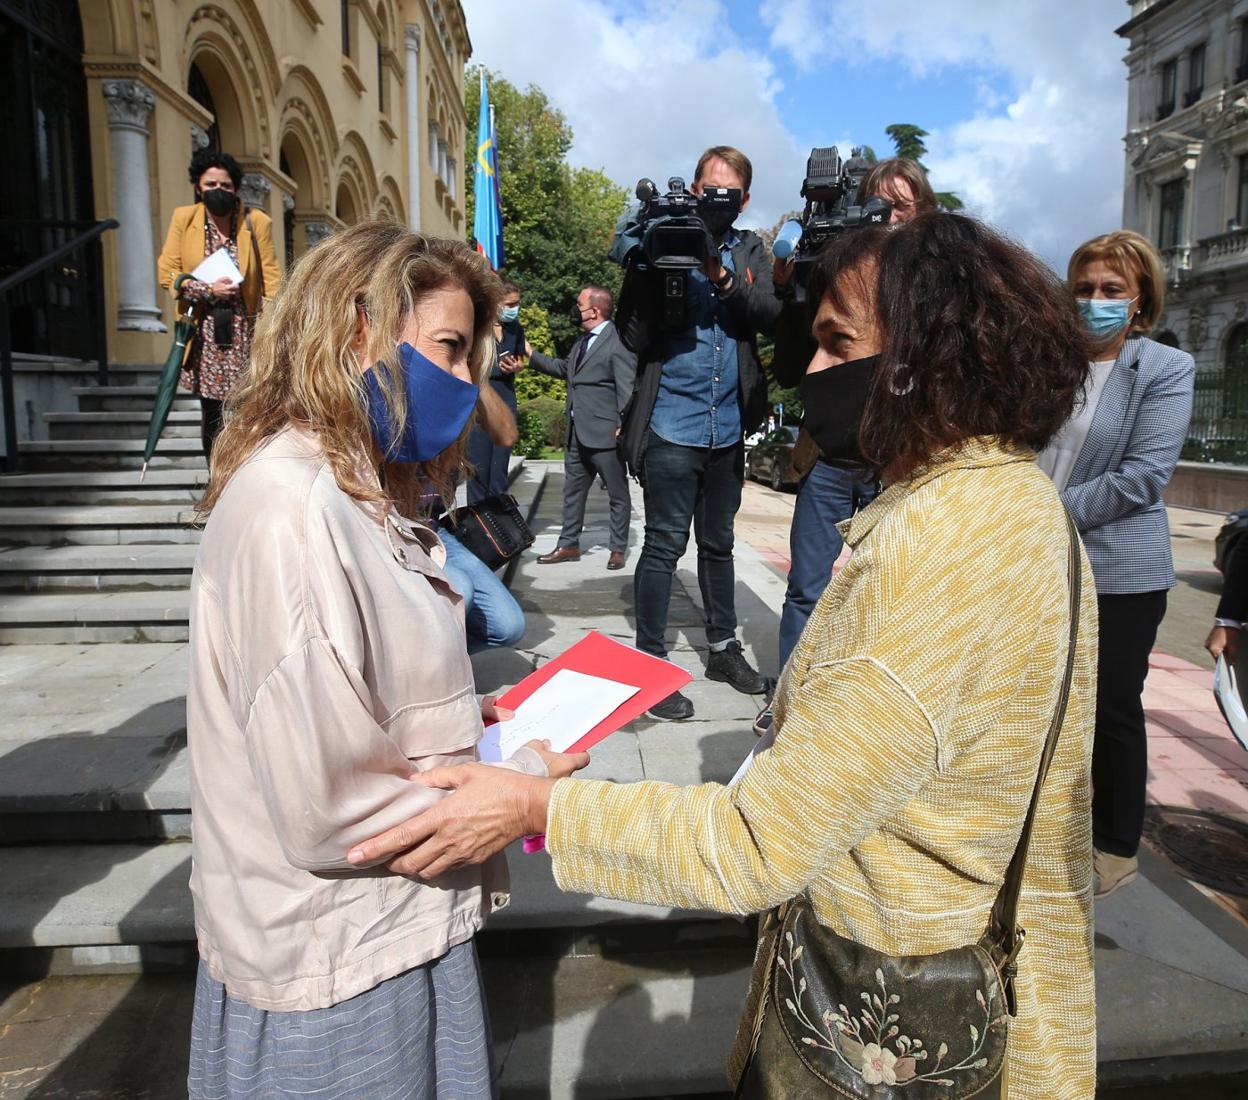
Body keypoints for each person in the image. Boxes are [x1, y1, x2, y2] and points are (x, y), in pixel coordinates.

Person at [349, 214, 1100, 1099]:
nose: (813, 372)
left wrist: (530, 803)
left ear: (931, 354)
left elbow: (756, 844)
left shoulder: (946, 544)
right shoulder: (1009, 499)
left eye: (837, 343)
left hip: (880, 1013)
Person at [184, 222, 586, 1099]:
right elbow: (335, 807)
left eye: (466, 357)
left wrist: (466, 726)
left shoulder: (354, 490)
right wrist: (519, 778)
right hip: (333, 964)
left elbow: (356, 698)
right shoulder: (293, 509)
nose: (457, 382)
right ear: (356, 325)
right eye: (445, 348)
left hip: (388, 932)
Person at [753, 157, 941, 736]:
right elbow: (791, 366)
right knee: (807, 589)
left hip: (902, 465)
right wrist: (796, 292)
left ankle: (875, 712)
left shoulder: (937, 285)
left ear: (922, 214)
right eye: (877, 206)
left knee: (896, 596)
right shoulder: (833, 274)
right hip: (831, 461)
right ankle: (789, 707)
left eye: (900, 208)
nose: (888, 220)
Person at [1037, 229, 1195, 899]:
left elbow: (1143, 476)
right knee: (1040, 699)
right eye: (1083, 289)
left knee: (1110, 712)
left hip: (1120, 569)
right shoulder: (1047, 362)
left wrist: (1038, 513)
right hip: (1039, 559)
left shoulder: (1162, 369)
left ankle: (1115, 844)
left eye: (1110, 291)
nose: (1094, 302)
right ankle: (1046, 823)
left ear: (1139, 302)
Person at [616, 145, 783, 720]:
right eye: (707, 188)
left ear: (744, 200)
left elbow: (770, 314)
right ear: (691, 187)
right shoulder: (661, 233)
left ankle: (721, 649)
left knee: (719, 545)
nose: (715, 200)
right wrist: (647, 263)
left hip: (727, 428)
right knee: (663, 545)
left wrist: (718, 272)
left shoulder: (749, 249)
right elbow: (633, 336)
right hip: (670, 424)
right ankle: (649, 667)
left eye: (727, 193)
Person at [157, 149, 282, 460]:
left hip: (245, 329)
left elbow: (272, 278)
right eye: (211, 184)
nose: (218, 191)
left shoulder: (255, 223)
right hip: (205, 332)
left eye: (225, 185)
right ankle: (216, 477)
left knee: (246, 408)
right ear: (199, 187)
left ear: (236, 188)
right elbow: (168, 272)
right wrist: (204, 288)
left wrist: (272, 327)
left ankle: (242, 472)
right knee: (212, 412)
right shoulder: (185, 219)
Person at [523, 285, 636, 570]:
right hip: (577, 435)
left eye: (579, 304)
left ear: (594, 311)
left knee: (618, 495)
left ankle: (618, 549)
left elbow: (627, 388)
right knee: (572, 493)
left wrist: (623, 425)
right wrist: (529, 354)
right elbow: (565, 370)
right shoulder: (582, 342)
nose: (575, 308)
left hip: (605, 436)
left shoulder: (617, 342)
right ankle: (568, 544)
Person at [465, 275, 525, 502]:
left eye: (517, 304)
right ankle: (479, 524)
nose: (514, 309)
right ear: (496, 302)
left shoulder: (515, 329)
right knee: (479, 468)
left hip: (506, 395)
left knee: (499, 468)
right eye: (510, 305)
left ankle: (499, 525)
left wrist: (517, 366)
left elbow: (518, 356)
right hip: (482, 396)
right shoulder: (477, 327)